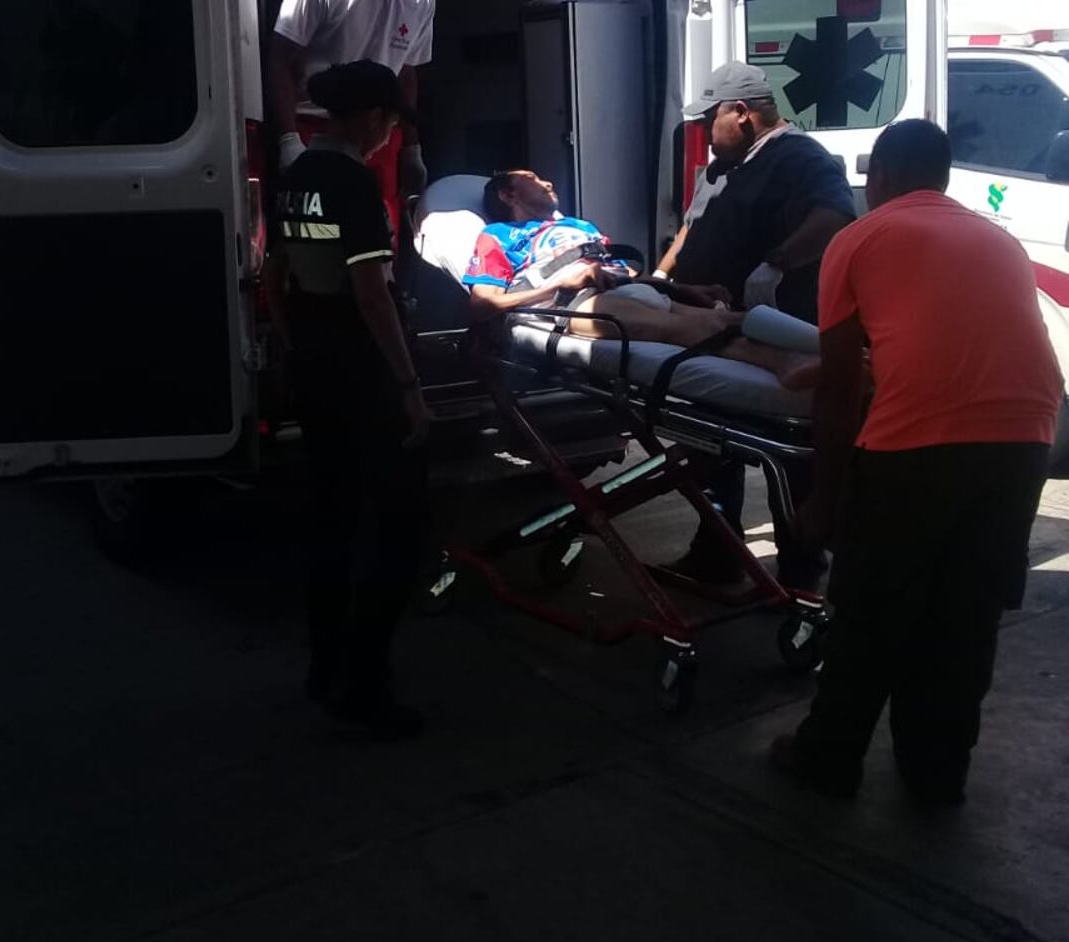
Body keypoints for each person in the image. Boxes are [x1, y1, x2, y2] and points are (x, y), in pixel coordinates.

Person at [771, 119, 1063, 803]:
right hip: (1026, 436)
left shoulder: (858, 238)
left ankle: (829, 757)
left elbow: (841, 388)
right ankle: (937, 771)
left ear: (881, 178)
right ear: (943, 178)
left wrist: (825, 497)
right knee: (967, 611)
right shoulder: (998, 239)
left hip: (919, 447)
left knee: (871, 610)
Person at [269, 60, 432, 740]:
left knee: (330, 521)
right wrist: (409, 386)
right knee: (397, 530)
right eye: (391, 121)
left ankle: (324, 666)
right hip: (362, 370)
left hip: (313, 363)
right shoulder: (353, 182)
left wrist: (294, 346)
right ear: (371, 117)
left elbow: (275, 275)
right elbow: (370, 291)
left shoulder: (296, 177)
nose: (390, 133)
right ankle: (364, 686)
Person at [662, 62, 856, 591]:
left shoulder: (800, 159)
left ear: (742, 113)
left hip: (773, 326)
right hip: (710, 328)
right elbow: (690, 228)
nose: (703, 133)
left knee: (787, 460)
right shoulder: (720, 167)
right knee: (709, 451)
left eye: (710, 120)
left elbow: (832, 217)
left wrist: (777, 262)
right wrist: (661, 277)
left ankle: (800, 573)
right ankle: (717, 553)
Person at [463, 169, 819, 383]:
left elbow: (622, 273)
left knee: (737, 317)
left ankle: (834, 350)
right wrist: (560, 283)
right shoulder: (499, 235)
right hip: (576, 305)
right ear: (508, 193)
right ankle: (786, 363)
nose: (547, 182)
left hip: (625, 288)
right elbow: (483, 306)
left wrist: (682, 288)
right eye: (532, 178)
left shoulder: (579, 226)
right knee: (701, 329)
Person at [271, 0, 447, 242]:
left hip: (381, 131)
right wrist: (287, 139)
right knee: (317, 233)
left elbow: (407, 73)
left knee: (383, 233)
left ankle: (384, 295)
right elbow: (280, 58)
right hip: (316, 126)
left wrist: (411, 148)